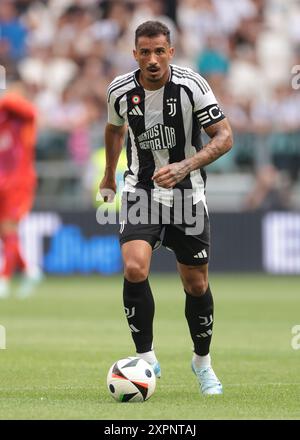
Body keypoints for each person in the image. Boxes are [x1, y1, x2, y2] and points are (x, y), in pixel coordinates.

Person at [99, 21, 233, 395]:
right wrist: (109, 176)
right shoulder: (120, 90)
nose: (153, 59)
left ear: (170, 52)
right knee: (134, 267)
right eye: (145, 52)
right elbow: (113, 130)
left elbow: (225, 136)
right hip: (140, 190)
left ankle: (202, 363)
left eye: (160, 51)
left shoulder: (192, 86)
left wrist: (186, 166)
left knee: (196, 283)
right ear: (135, 54)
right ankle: (146, 357)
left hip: (188, 196)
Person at [0, 86, 41, 298]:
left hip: (19, 181)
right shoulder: (4, 121)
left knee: (9, 228)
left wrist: (7, 97)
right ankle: (29, 271)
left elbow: (30, 110)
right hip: (2, 181)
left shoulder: (25, 121)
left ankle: (4, 279)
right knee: (5, 233)